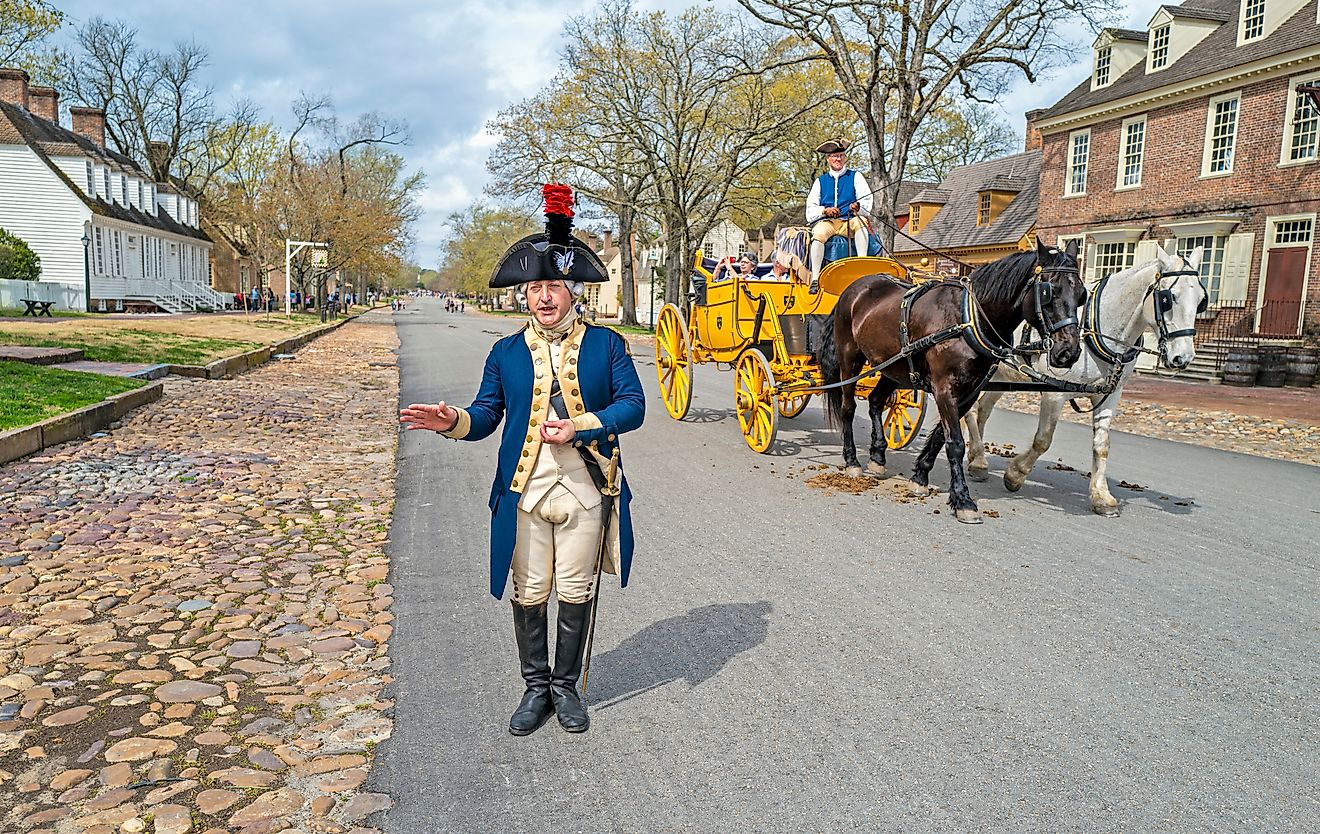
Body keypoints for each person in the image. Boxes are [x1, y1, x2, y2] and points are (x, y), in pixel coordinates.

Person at [399, 184, 644, 736]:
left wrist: (581, 425)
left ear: (573, 291)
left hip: (587, 489)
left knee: (576, 590)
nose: (545, 297)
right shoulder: (504, 352)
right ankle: (535, 688)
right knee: (530, 592)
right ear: (524, 295)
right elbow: (486, 415)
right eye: (535, 288)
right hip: (525, 491)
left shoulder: (609, 346)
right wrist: (454, 421)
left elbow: (633, 406)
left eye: (555, 286)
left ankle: (566, 686)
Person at [806, 138, 873, 292]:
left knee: (862, 222)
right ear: (828, 159)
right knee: (818, 234)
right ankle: (816, 278)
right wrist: (825, 210)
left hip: (848, 222)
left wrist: (858, 207)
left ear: (845, 158)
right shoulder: (820, 181)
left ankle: (862, 265)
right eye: (835, 156)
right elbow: (810, 209)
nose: (838, 159)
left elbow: (866, 200)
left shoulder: (856, 177)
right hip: (828, 223)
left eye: (841, 156)